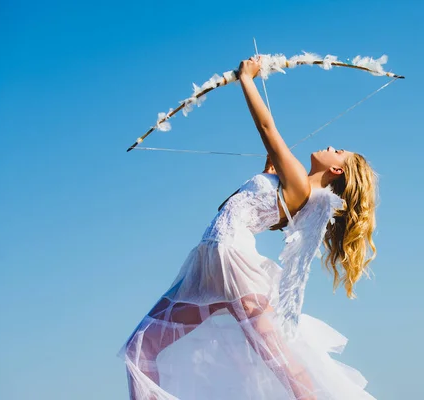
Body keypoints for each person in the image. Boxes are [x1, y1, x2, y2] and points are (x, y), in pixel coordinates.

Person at [120, 57, 378, 399]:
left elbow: (268, 129)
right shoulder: (294, 188)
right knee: (140, 347)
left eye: (338, 152)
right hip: (208, 265)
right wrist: (268, 173)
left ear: (337, 172)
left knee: (282, 361)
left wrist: (247, 79)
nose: (331, 147)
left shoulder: (300, 183)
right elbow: (249, 207)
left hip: (233, 262)